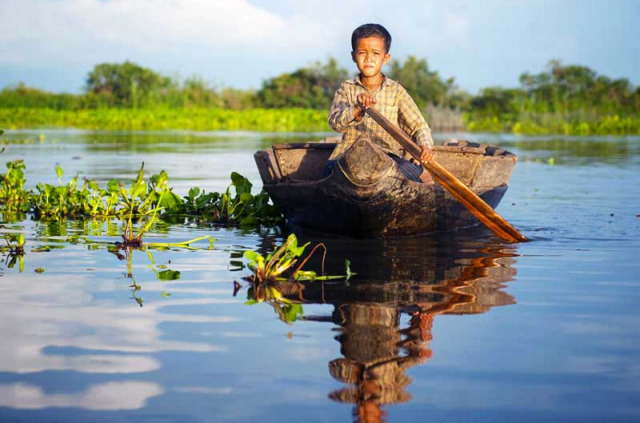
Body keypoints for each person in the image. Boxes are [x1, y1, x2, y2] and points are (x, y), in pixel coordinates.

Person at [325, 23, 434, 182]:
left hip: (387, 158)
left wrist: (425, 146)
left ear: (386, 58)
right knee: (328, 171)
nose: (368, 58)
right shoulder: (346, 89)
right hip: (347, 155)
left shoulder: (396, 91)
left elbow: (419, 126)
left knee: (415, 173)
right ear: (353, 56)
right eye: (362, 52)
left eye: (375, 53)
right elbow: (336, 124)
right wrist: (356, 109)